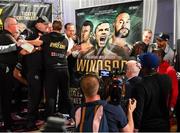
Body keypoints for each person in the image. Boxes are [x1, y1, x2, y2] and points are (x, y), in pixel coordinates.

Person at [31, 20, 74, 119]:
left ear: (52, 28)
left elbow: (37, 43)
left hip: (52, 70)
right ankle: (75, 116)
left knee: (51, 96)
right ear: (61, 28)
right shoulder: (65, 40)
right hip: (64, 69)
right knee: (66, 95)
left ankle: (50, 118)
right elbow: (64, 53)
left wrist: (25, 41)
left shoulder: (46, 37)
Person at [21, 16, 49, 130]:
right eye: (45, 24)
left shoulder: (45, 34)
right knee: (34, 96)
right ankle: (30, 123)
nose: (46, 26)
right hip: (33, 70)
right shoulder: (29, 31)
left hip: (43, 70)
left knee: (39, 97)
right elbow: (21, 43)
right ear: (38, 24)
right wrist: (35, 48)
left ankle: (35, 118)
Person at [133, 52, 171, 132]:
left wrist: (136, 127)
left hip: (147, 127)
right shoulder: (167, 79)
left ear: (145, 68)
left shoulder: (140, 85)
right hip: (164, 125)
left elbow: (138, 110)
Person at [0, 16, 20, 131]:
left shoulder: (8, 36)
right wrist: (17, 45)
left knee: (6, 98)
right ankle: (7, 125)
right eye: (15, 24)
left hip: (7, 71)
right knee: (5, 98)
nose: (17, 26)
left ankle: (7, 122)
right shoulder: (5, 36)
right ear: (9, 26)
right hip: (4, 72)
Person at [153, 48, 178, 117]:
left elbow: (174, 90)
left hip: (164, 107)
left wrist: (171, 107)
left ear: (160, 56)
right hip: (153, 107)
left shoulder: (170, 70)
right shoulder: (152, 68)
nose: (154, 58)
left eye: (156, 55)